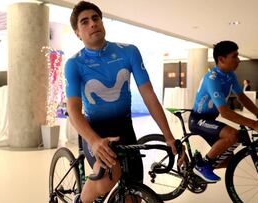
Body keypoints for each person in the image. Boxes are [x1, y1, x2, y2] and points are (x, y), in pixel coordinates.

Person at [65, 1, 184, 202]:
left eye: (96, 18)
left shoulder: (128, 52)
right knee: (107, 179)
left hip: (125, 130)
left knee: (134, 192)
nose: (93, 24)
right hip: (96, 132)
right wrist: (94, 141)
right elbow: (74, 111)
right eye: (84, 22)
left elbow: (149, 95)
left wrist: (169, 136)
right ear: (77, 32)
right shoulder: (74, 64)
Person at [188, 41, 258, 182]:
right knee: (232, 134)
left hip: (210, 120)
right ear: (222, 59)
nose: (239, 60)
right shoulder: (213, 78)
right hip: (197, 120)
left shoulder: (230, 75)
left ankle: (197, 167)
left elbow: (241, 97)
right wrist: (255, 124)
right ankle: (201, 166)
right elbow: (225, 112)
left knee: (230, 161)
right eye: (234, 56)